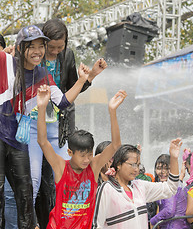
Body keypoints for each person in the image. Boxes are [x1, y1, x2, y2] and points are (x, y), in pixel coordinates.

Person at [0, 5, 104, 229]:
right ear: (21, 48)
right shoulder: (3, 60)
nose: (38, 51)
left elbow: (63, 102)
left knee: (26, 189)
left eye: (41, 46)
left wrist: (82, 80)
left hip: (18, 138)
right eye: (32, 47)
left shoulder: (43, 75)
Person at [37, 85, 126, 228]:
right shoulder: (61, 167)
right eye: (82, 155)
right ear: (70, 152)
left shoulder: (94, 166)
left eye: (90, 154)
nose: (87, 160)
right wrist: (41, 108)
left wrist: (112, 111)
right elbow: (42, 142)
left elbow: (116, 145)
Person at [92, 139, 181, 229]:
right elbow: (96, 225)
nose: (136, 169)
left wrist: (173, 158)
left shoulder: (140, 186)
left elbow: (171, 188)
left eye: (138, 165)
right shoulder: (107, 189)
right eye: (133, 165)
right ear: (119, 164)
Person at [149, 155, 191, 229]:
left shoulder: (172, 186)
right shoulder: (167, 185)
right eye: (159, 168)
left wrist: (153, 221)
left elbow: (169, 210)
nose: (163, 172)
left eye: (167, 168)